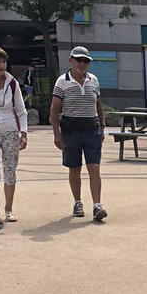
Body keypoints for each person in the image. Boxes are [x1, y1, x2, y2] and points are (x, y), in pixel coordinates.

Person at [49, 46, 107, 223]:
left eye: (86, 61)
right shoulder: (62, 82)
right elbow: (54, 109)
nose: (83, 64)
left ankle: (97, 205)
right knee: (74, 168)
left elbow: (98, 106)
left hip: (92, 129)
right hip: (71, 130)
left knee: (94, 167)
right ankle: (77, 202)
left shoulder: (94, 80)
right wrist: (57, 134)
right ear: (71, 60)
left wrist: (102, 127)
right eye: (79, 60)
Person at [0, 44, 28, 227]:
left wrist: (24, 132)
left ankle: (8, 210)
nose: (2, 65)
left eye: (4, 61)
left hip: (10, 131)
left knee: (10, 171)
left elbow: (21, 110)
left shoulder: (12, 84)